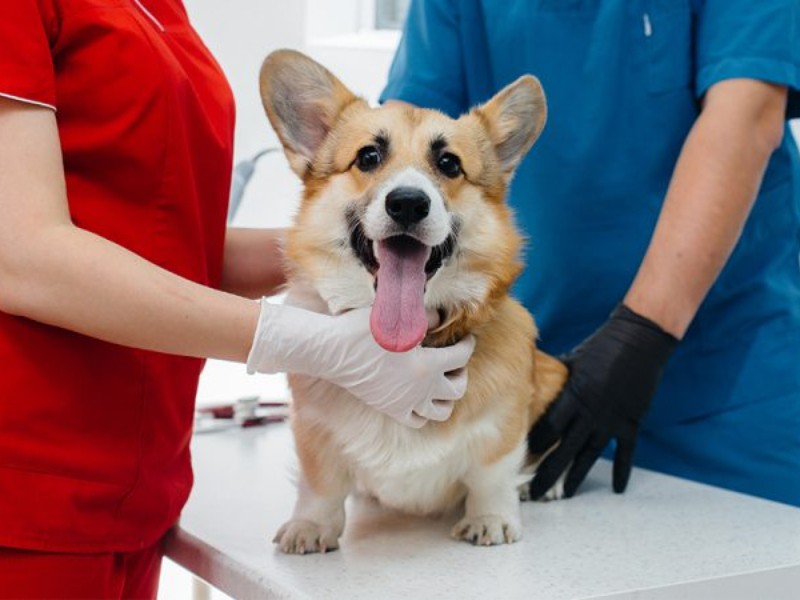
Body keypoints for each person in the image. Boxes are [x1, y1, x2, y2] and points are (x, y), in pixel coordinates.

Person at [0, 1, 473, 597]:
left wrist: (358, 246)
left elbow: (166, 243)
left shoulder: (159, 9)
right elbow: (18, 253)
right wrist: (301, 342)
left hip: (138, 484)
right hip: (24, 477)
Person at [381, 0, 800, 506]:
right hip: (534, 391)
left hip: (726, 387)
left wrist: (642, 332)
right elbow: (408, 127)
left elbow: (748, 116)